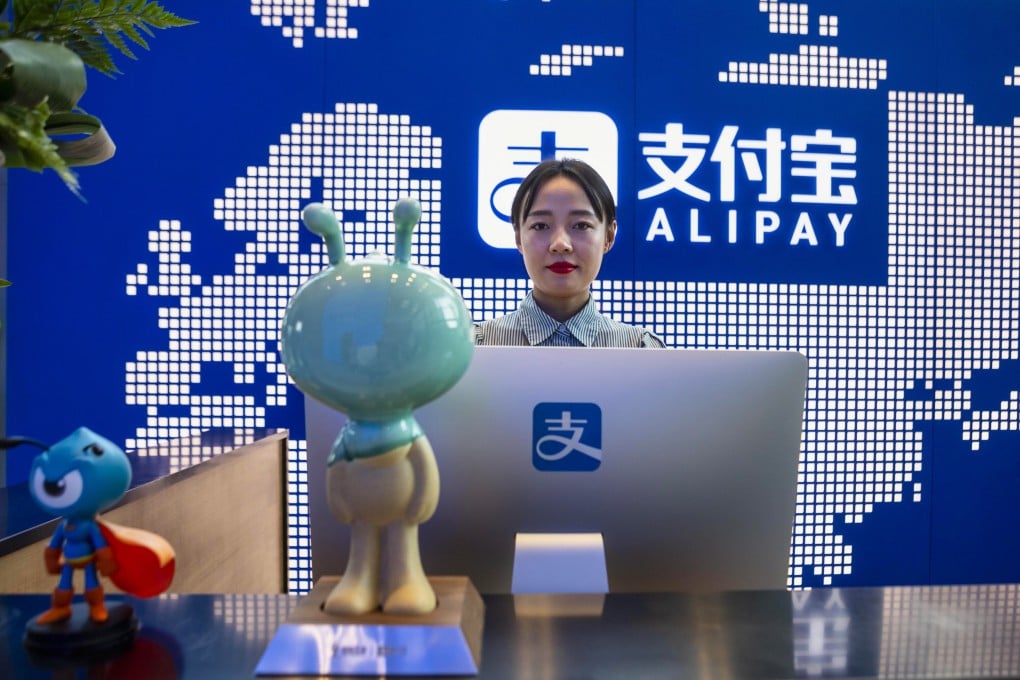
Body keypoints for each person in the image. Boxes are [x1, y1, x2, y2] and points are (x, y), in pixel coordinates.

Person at [474, 158, 665, 347]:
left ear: (608, 236)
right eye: (540, 226)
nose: (560, 244)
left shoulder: (641, 348)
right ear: (518, 238)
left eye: (581, 225)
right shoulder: (474, 345)